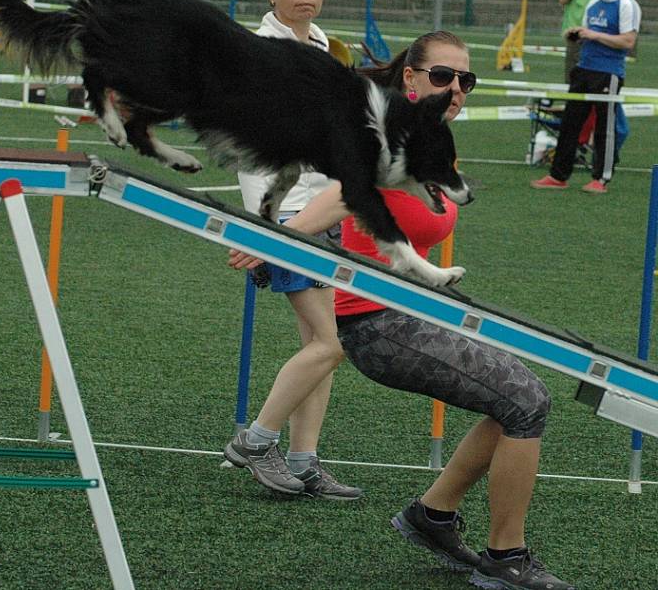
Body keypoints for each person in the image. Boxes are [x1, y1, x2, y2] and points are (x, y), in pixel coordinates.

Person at [231, 31, 576, 590]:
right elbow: (344, 192)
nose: (457, 89)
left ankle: (433, 516)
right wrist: (277, 237)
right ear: (411, 79)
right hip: (379, 324)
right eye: (444, 77)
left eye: (466, 80)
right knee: (527, 401)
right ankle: (505, 558)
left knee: (518, 398)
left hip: (407, 312)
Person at [222, 0, 362, 500]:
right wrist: (266, 229)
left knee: (317, 344)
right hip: (287, 219)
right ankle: (256, 440)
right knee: (331, 344)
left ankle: (304, 460)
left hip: (323, 210)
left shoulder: (323, 45)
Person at [532, 0, 641, 194]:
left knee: (605, 127)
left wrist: (594, 34)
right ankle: (558, 175)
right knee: (570, 123)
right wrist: (578, 35)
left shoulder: (626, 5)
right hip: (584, 69)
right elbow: (589, 35)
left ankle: (601, 178)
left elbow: (628, 41)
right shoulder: (593, 4)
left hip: (608, 73)